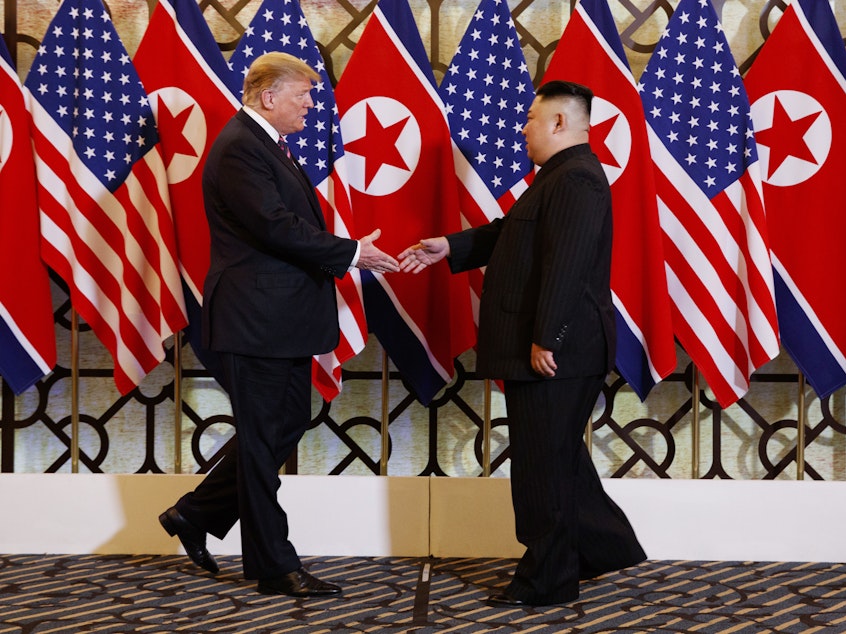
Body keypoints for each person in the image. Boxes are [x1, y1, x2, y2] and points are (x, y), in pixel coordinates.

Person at [159, 52, 399, 597]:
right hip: (256, 319)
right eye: (303, 95)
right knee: (266, 443)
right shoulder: (241, 145)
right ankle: (274, 566)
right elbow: (274, 226)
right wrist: (352, 253)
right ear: (269, 96)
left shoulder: (263, 144)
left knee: (282, 426)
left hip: (280, 319)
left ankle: (193, 514)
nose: (312, 105)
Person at [398, 80, 646, 607]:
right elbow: (514, 232)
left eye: (532, 119)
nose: (524, 128)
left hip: (557, 349)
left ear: (559, 123)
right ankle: (602, 550)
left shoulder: (576, 178)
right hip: (554, 346)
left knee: (542, 468)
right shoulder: (559, 177)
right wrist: (450, 246)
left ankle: (547, 581)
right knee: (558, 462)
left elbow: (568, 267)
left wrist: (544, 338)